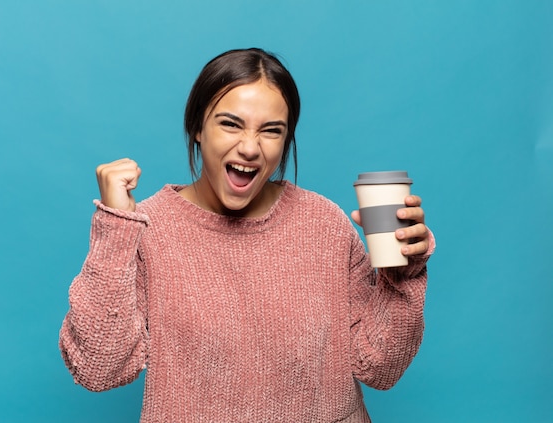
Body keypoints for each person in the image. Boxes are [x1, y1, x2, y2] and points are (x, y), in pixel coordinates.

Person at [59, 48, 434, 422]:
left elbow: (381, 369)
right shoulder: (147, 229)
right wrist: (116, 228)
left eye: (272, 131)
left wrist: (403, 272)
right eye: (230, 124)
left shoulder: (324, 224)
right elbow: (98, 367)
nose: (250, 148)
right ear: (197, 129)